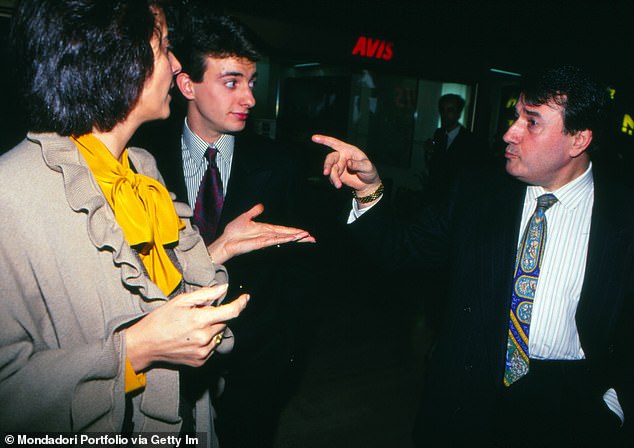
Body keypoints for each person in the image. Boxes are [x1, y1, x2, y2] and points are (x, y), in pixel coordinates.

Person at [0, 0, 304, 444]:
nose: (177, 64)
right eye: (163, 48)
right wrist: (135, 350)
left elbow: (152, 290)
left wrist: (214, 251)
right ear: (115, 59)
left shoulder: (141, 168)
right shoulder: (11, 191)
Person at [314, 65, 632, 446]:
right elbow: (400, 248)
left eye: (531, 122)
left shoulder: (623, 217)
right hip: (467, 392)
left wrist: (615, 404)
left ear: (578, 139)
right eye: (515, 115)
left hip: (568, 404)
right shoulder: (477, 193)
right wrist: (368, 190)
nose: (509, 133)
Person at [133, 4, 317, 447]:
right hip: (166, 363)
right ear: (187, 84)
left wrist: (284, 362)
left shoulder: (279, 165)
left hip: (254, 368)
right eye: (231, 82)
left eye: (251, 83)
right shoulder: (142, 160)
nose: (249, 99)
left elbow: (298, 279)